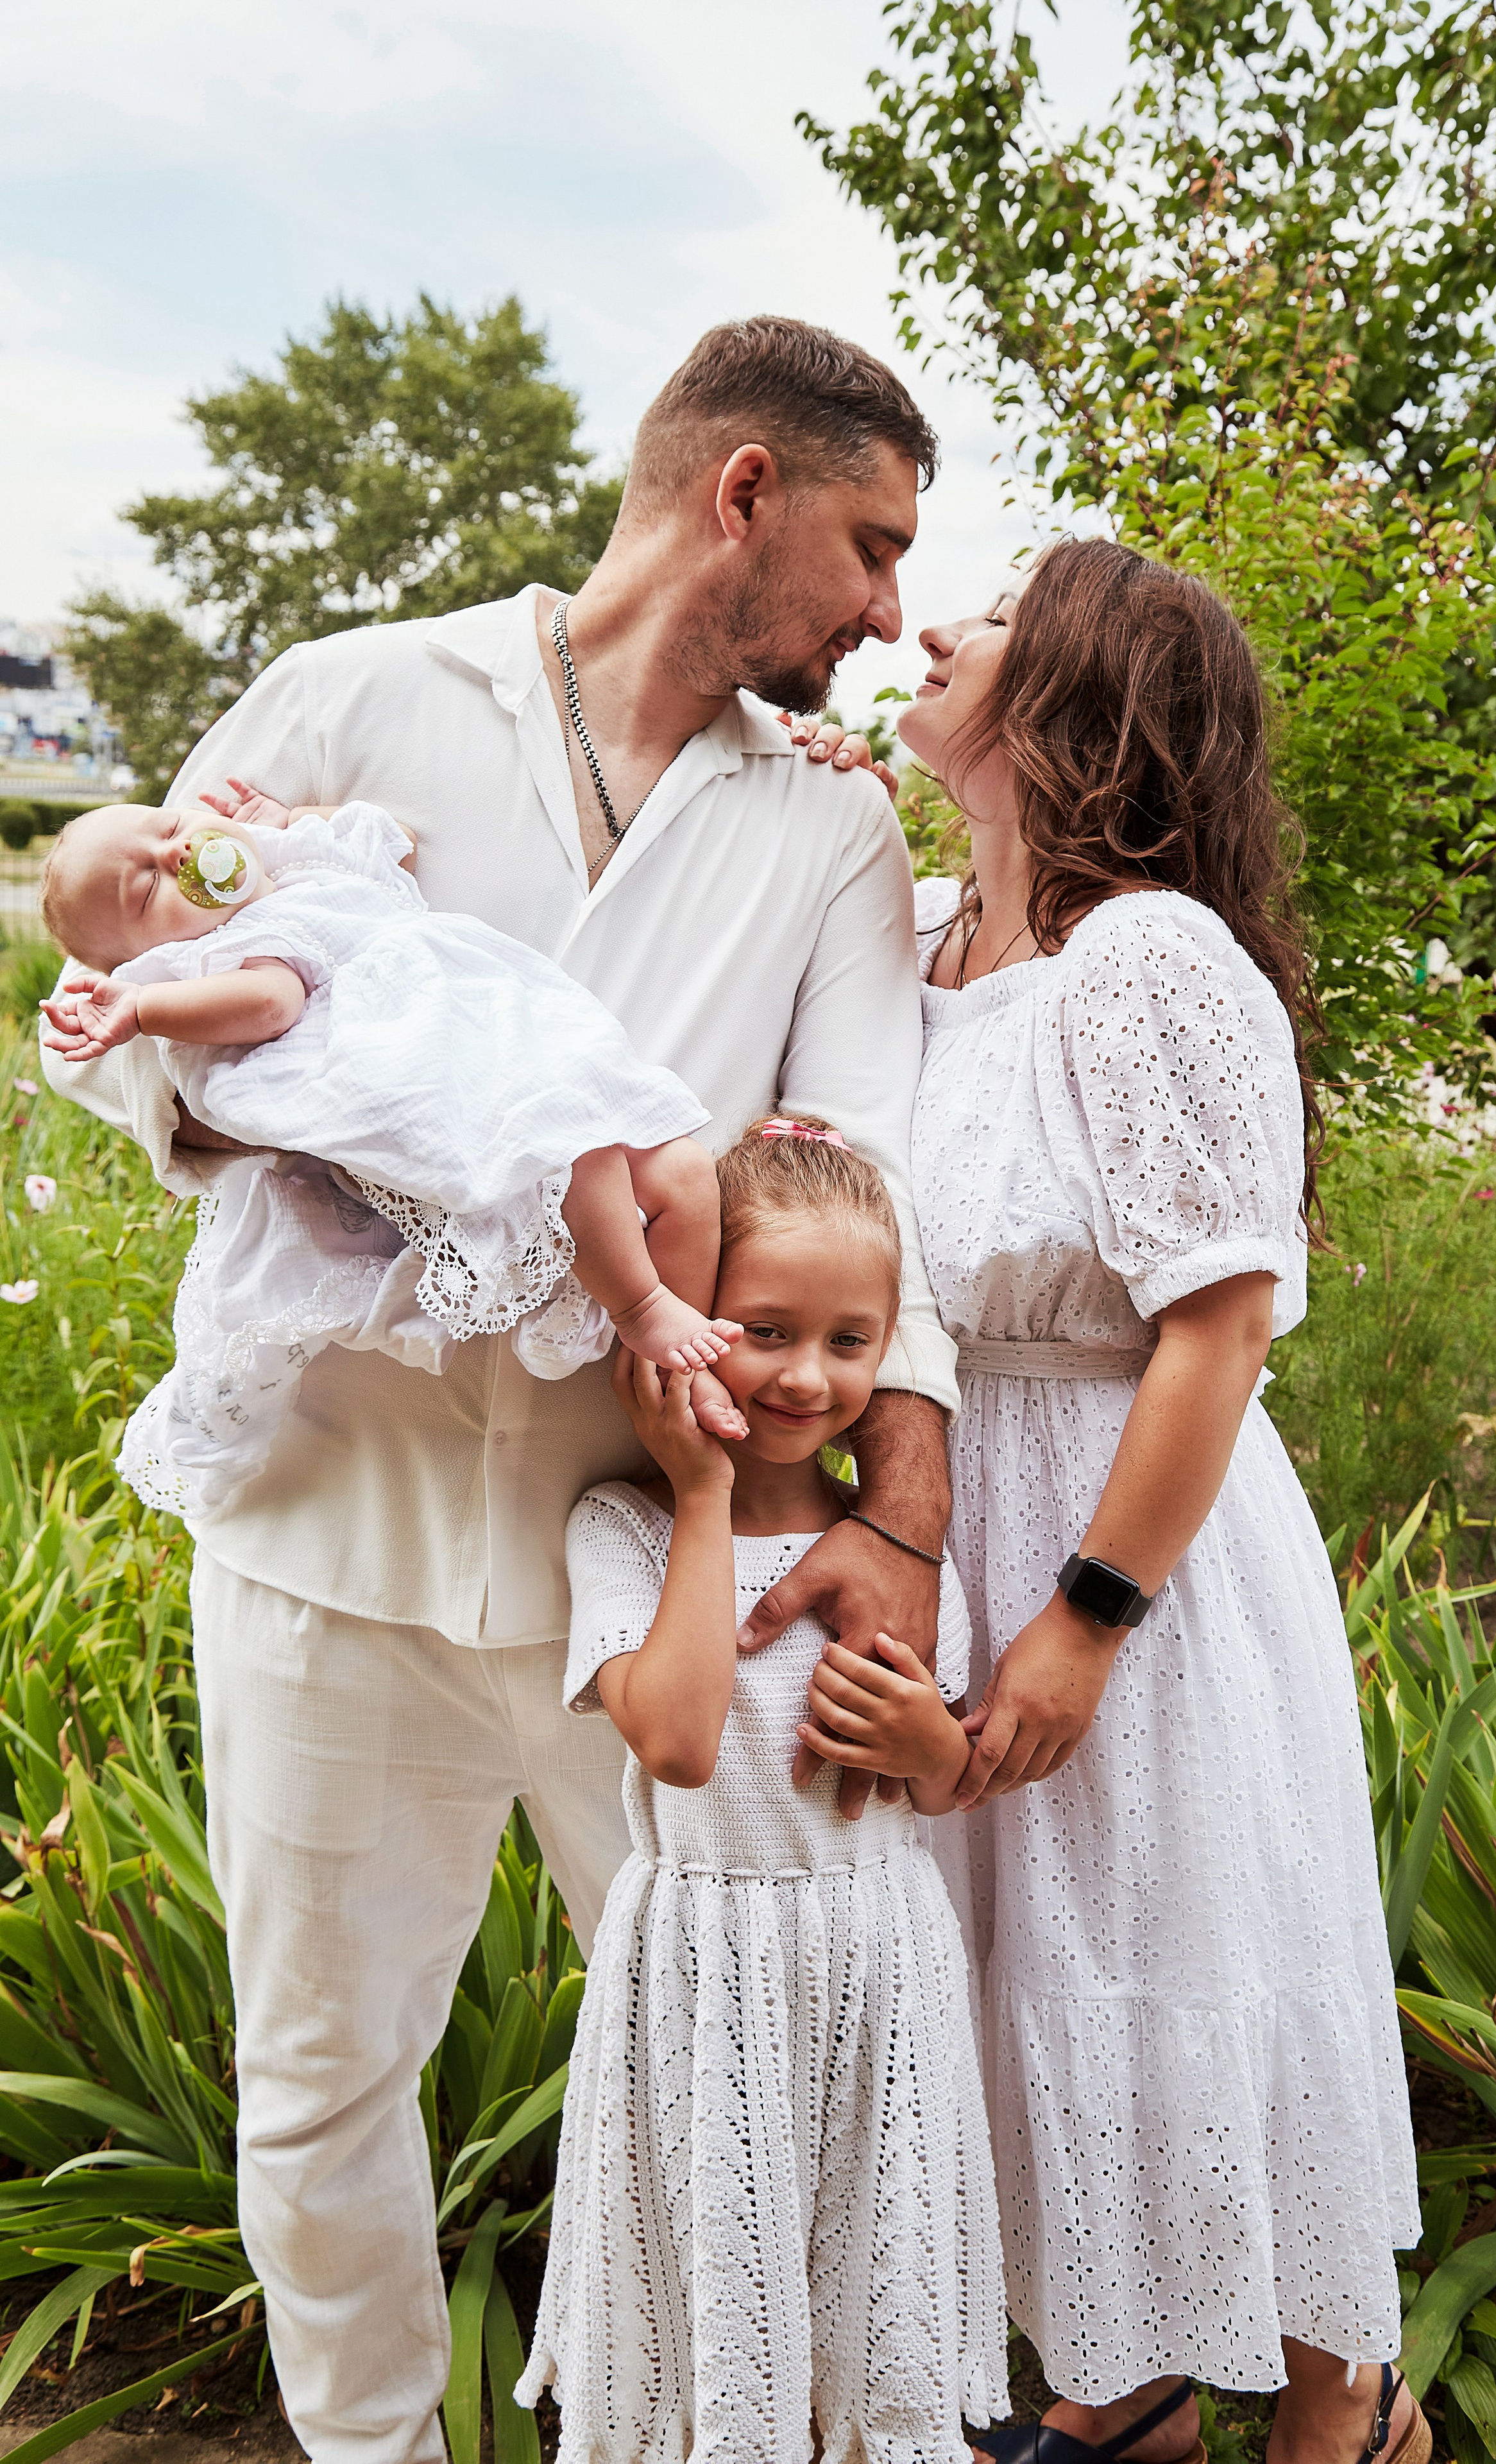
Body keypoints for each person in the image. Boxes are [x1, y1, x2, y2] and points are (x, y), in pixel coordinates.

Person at [39, 316, 960, 2464]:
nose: (888, 611)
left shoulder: (828, 830)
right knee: (320, 2082)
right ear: (744, 492)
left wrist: (902, 1518)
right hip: (326, 1541)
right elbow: (137, 1004)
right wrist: (383, 1116)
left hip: (652, 1577)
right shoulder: (349, 698)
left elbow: (871, 1171)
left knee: (751, 2057)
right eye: (873, 546)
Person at [799, 537, 1424, 2464]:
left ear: (1075, 686)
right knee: (1038, 1980)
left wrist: (1084, 1614)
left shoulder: (1146, 958)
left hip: (1128, 1534)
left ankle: (1346, 2407)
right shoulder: (916, 940)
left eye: (985, 615)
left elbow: (1220, 1323)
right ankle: (1123, 2385)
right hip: (957, 1499)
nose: (928, 624)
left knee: (1189, 1952)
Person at [519, 1115, 1008, 2464]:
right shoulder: (623, 1526)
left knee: (874, 2276)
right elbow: (677, 1742)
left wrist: (926, 1744)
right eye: (765, 1330)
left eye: (851, 1340)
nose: (805, 1375)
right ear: (686, 1321)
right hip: (703, 1967)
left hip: (879, 1955)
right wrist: (700, 1493)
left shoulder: (891, 1554)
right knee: (717, 2274)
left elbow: (943, 1786)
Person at [37, 790, 743, 1518]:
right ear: (149, 958)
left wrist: (285, 827)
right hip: (434, 1060)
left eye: (169, 827)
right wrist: (142, 1010)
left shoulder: (301, 871)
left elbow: (395, 842)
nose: (179, 853)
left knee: (685, 1171)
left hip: (487, 1017)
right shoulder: (227, 953)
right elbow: (272, 1005)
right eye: (148, 887)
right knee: (573, 1148)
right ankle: (641, 1305)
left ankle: (689, 1376)